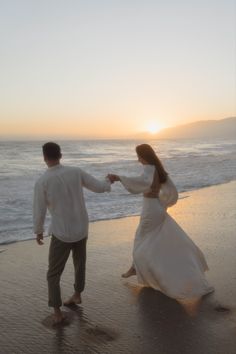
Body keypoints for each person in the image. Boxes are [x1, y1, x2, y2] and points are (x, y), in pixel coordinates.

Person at [107, 144, 214, 314]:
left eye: (138, 156)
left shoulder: (149, 168)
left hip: (151, 210)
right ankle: (136, 267)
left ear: (144, 156)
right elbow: (170, 191)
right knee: (150, 241)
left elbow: (142, 182)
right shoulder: (158, 168)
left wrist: (119, 178)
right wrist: (163, 202)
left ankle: (136, 268)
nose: (138, 159)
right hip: (155, 207)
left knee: (141, 240)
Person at [33, 142, 111, 325]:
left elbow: (39, 210)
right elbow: (100, 187)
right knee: (80, 262)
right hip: (81, 228)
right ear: (60, 155)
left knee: (53, 273)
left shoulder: (42, 181)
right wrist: (108, 180)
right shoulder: (76, 171)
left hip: (62, 232)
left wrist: (38, 231)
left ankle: (57, 312)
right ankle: (77, 294)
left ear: (44, 158)